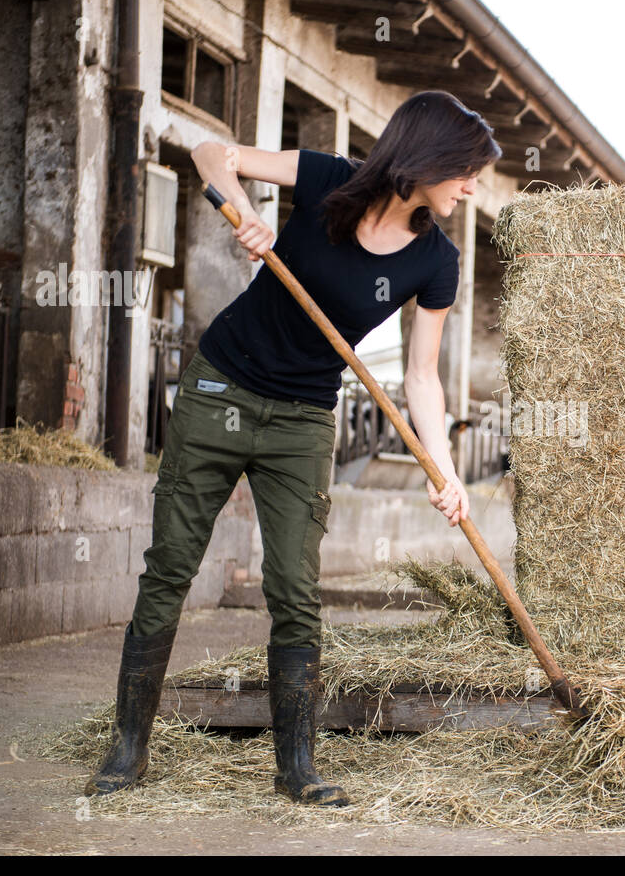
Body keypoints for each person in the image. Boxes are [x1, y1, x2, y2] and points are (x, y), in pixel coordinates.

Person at [85, 90, 501, 806]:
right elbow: (211, 153)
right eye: (466, 169)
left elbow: (424, 377)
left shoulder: (436, 259)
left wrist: (446, 469)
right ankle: (128, 748)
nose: (472, 186)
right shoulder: (327, 178)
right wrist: (243, 211)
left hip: (305, 418)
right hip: (222, 388)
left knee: (295, 591)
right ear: (427, 156)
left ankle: (297, 766)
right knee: (171, 567)